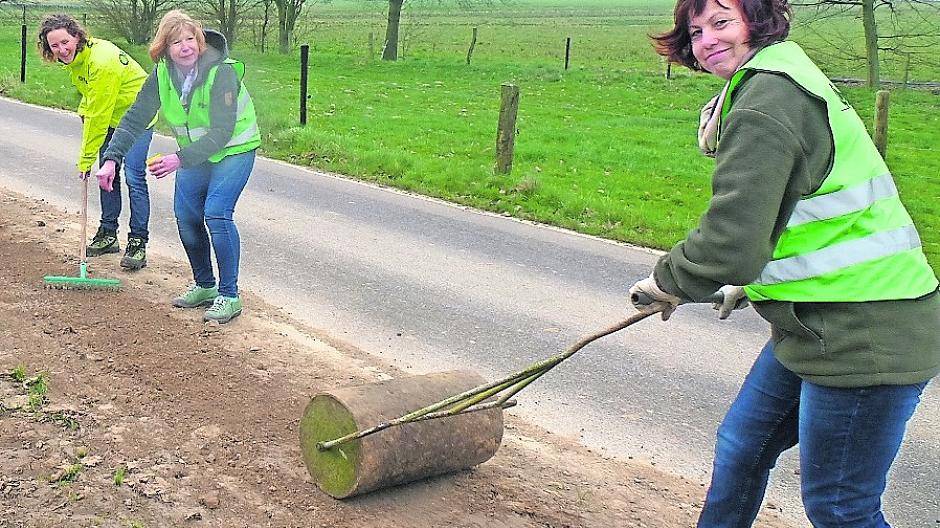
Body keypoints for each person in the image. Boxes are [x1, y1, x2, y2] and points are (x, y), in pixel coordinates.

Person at [630, 0, 940, 525]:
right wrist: (754, 284)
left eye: (721, 22)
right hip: (813, 319)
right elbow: (794, 209)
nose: (707, 40)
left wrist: (670, 282)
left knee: (842, 506)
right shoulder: (776, 78)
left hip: (865, 333)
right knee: (743, 446)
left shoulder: (765, 99)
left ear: (758, 21)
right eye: (697, 30)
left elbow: (732, 241)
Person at [96, 10, 260, 324]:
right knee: (187, 216)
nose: (185, 47)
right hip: (195, 155)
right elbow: (133, 119)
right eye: (176, 42)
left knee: (216, 213)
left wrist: (178, 160)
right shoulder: (161, 75)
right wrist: (111, 160)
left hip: (234, 150)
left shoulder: (221, 73)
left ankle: (229, 295)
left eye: (190, 39)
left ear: (199, 42)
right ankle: (205, 285)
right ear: (164, 48)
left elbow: (222, 131)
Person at [37, 13, 154, 270]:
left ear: (77, 37)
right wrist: (83, 108)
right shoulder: (78, 61)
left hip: (138, 115)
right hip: (113, 114)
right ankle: (108, 233)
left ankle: (138, 242)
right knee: (107, 175)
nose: (61, 50)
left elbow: (98, 114)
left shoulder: (101, 61)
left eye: (65, 42)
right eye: (54, 46)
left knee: (134, 175)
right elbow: (91, 96)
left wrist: (85, 159)